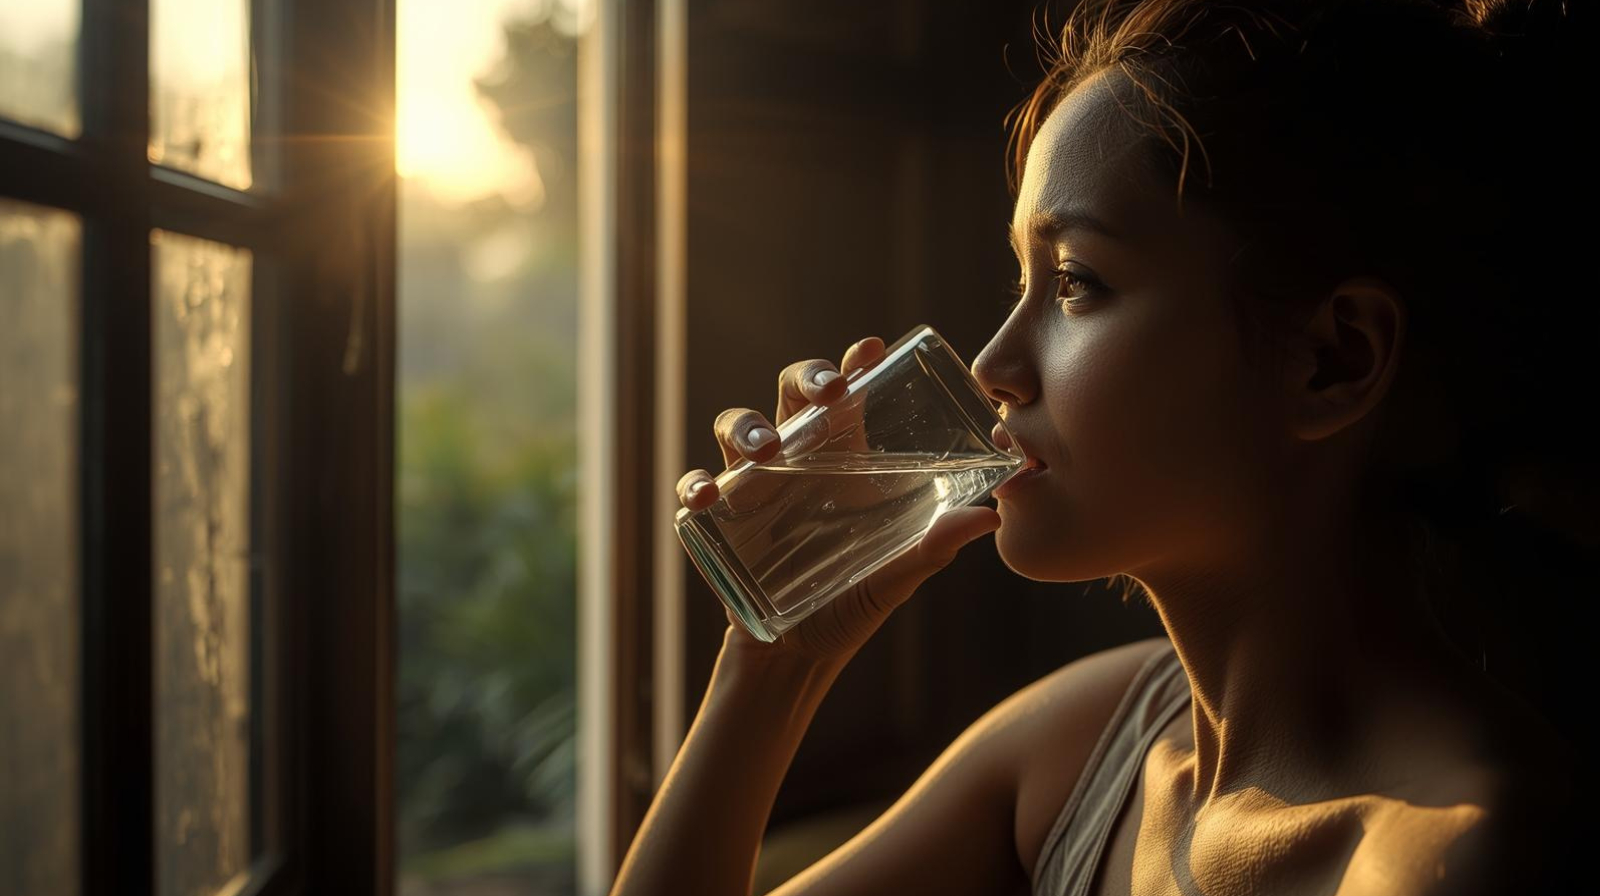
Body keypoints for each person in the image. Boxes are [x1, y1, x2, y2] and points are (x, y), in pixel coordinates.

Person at [613, 1, 1593, 894]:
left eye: (1076, 282)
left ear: (1333, 360)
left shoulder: (1452, 855)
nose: (993, 364)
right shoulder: (1078, 745)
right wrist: (772, 662)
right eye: (1019, 281)